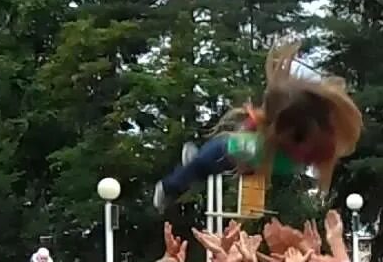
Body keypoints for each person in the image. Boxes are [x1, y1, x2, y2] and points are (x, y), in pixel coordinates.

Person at [155, 40, 362, 210]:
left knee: (212, 159)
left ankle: (193, 165)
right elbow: (250, 132)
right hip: (238, 152)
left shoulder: (314, 135)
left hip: (256, 154)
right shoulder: (260, 141)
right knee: (211, 157)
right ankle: (177, 178)